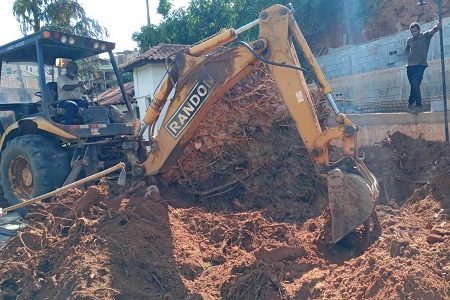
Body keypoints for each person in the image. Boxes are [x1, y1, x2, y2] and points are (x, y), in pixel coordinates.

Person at [404, 21, 442, 114]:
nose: (414, 33)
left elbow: (432, 31)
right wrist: (407, 58)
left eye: (415, 31)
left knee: (415, 84)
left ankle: (419, 106)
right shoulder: (410, 40)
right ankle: (410, 103)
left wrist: (437, 27)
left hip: (421, 65)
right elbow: (406, 49)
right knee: (414, 85)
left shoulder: (425, 36)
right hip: (410, 66)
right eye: (412, 32)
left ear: (419, 30)